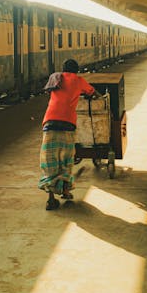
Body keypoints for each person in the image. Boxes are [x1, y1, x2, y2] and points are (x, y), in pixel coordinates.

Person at [39, 58, 101, 210]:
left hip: (50, 123)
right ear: (76, 71)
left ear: (63, 69)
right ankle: (66, 191)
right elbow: (94, 93)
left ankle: (51, 199)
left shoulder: (55, 77)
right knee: (66, 160)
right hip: (67, 124)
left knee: (50, 161)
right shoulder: (79, 80)